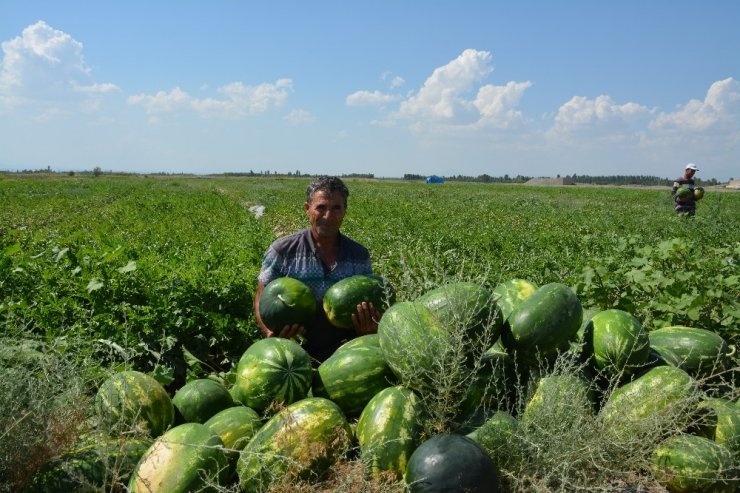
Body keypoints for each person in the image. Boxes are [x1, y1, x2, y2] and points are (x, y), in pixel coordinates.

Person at [254, 176, 380, 362]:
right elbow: (261, 297)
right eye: (321, 207)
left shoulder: (359, 255)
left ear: (345, 211)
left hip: (346, 353)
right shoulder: (282, 250)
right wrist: (271, 334)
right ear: (308, 209)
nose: (328, 216)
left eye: (336, 208)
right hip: (293, 350)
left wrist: (370, 327)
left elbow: (371, 298)